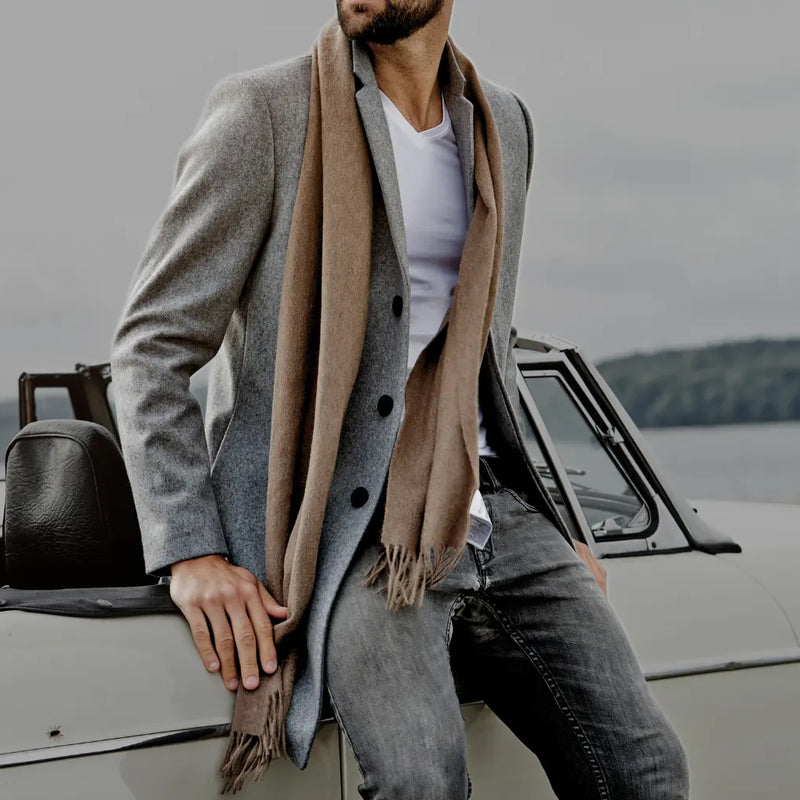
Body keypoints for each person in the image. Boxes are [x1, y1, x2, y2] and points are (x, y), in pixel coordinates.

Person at [110, 1, 690, 796]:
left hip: (492, 509)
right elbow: (151, 346)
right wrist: (192, 552)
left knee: (648, 772)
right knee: (421, 782)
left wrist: (563, 527)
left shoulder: (504, 123)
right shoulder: (264, 114)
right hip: (347, 533)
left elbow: (486, 349)